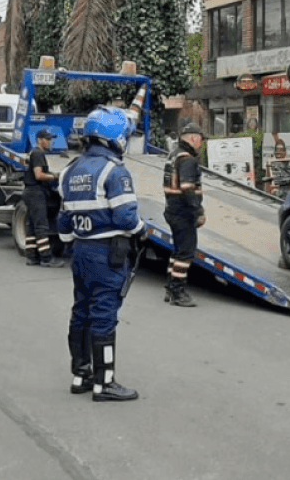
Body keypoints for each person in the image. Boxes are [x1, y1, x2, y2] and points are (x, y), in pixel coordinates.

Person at [57, 106, 145, 402]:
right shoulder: (114, 171)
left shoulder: (69, 171)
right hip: (107, 255)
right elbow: (126, 218)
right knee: (104, 316)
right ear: (116, 137)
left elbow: (63, 221)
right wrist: (142, 229)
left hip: (81, 252)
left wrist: (73, 241)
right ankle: (104, 383)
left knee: (81, 312)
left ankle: (80, 374)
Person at [162, 121, 206, 308]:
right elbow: (187, 188)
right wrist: (198, 211)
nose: (201, 144)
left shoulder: (174, 155)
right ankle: (178, 292)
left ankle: (170, 288)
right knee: (186, 253)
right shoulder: (187, 159)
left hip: (172, 209)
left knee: (178, 251)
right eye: (201, 140)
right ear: (194, 138)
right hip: (183, 212)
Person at [22, 128, 63, 267]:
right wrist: (55, 177)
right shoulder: (38, 154)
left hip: (30, 192)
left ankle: (32, 257)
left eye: (51, 139)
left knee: (32, 226)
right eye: (48, 139)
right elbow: (39, 175)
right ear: (40, 140)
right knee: (41, 226)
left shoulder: (35, 153)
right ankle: (46, 258)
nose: (50, 142)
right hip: (36, 192)